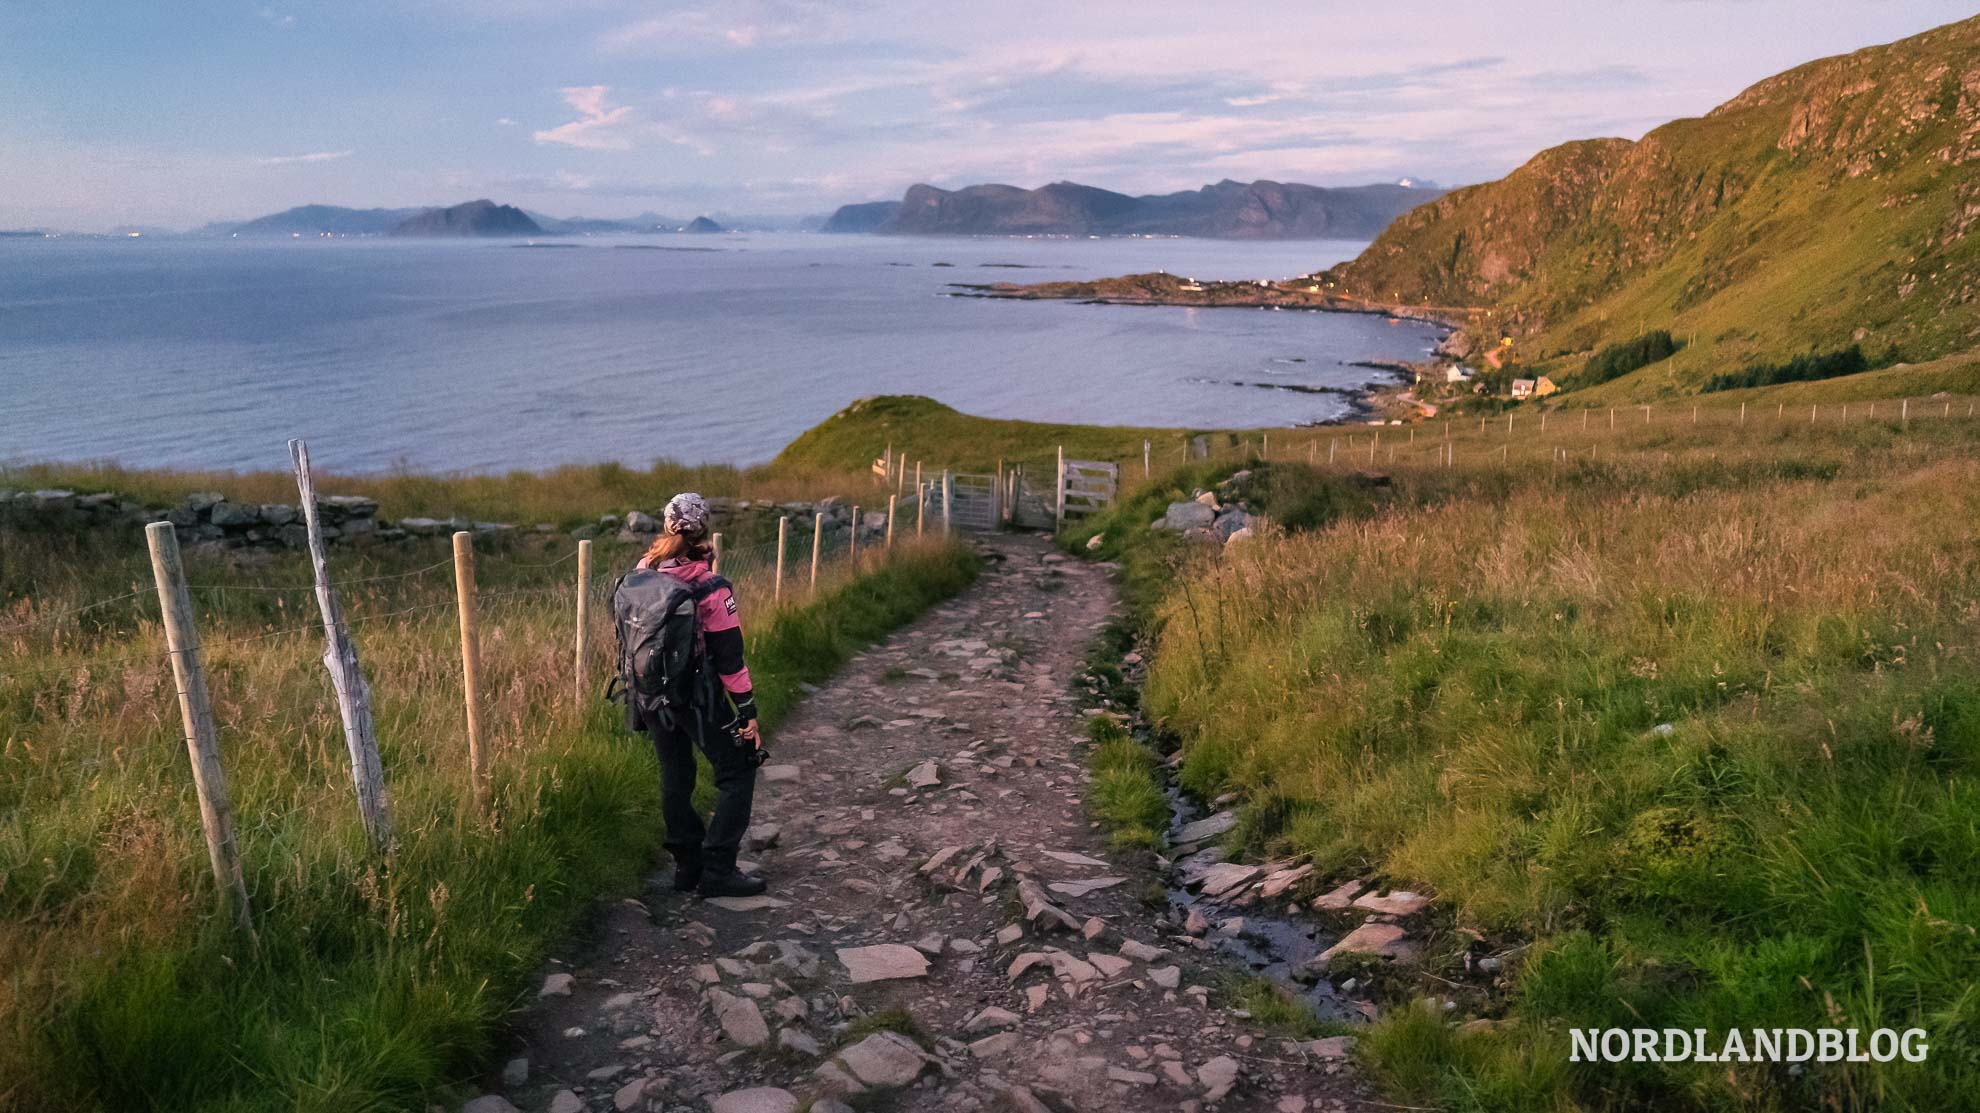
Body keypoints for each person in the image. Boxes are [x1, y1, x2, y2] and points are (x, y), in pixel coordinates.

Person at [634, 492, 766, 898]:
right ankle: (718, 869)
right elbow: (730, 660)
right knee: (738, 772)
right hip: (696, 696)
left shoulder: (642, 571)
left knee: (676, 774)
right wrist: (747, 713)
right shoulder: (711, 587)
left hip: (650, 694)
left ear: (666, 523)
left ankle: (686, 866)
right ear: (703, 529)